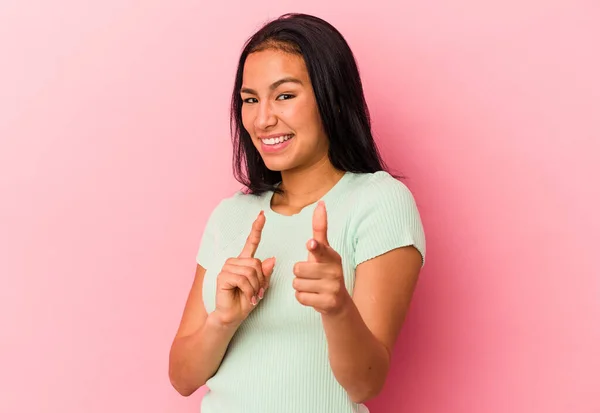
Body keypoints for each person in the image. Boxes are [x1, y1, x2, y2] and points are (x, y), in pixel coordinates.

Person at [168, 13, 426, 413]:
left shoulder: (379, 202)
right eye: (250, 99)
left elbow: (366, 383)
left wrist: (337, 306)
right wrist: (223, 320)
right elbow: (183, 378)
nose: (262, 118)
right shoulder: (230, 216)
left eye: (284, 95)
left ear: (331, 97)